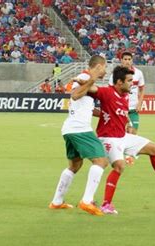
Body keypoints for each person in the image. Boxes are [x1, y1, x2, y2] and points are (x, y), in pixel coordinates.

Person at [81, 66, 155, 214]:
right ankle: (106, 204)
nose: (132, 83)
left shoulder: (125, 96)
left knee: (154, 148)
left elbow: (120, 114)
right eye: (130, 80)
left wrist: (127, 125)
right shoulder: (107, 92)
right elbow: (90, 88)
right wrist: (79, 80)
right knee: (119, 166)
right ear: (119, 82)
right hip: (109, 138)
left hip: (122, 136)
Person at [49, 55, 108, 216]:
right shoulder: (84, 77)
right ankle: (87, 201)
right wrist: (91, 79)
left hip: (70, 129)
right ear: (98, 66)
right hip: (80, 129)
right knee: (101, 161)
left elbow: (85, 104)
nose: (105, 70)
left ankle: (57, 201)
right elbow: (75, 95)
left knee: (74, 166)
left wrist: (105, 114)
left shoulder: (85, 79)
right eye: (104, 67)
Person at [109, 52, 145, 134]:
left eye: (129, 59)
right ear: (121, 60)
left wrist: (139, 103)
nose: (127, 61)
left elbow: (142, 89)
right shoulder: (115, 75)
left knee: (133, 133)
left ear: (132, 60)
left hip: (133, 109)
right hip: (119, 109)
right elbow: (110, 91)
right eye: (125, 59)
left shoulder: (138, 73)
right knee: (120, 134)